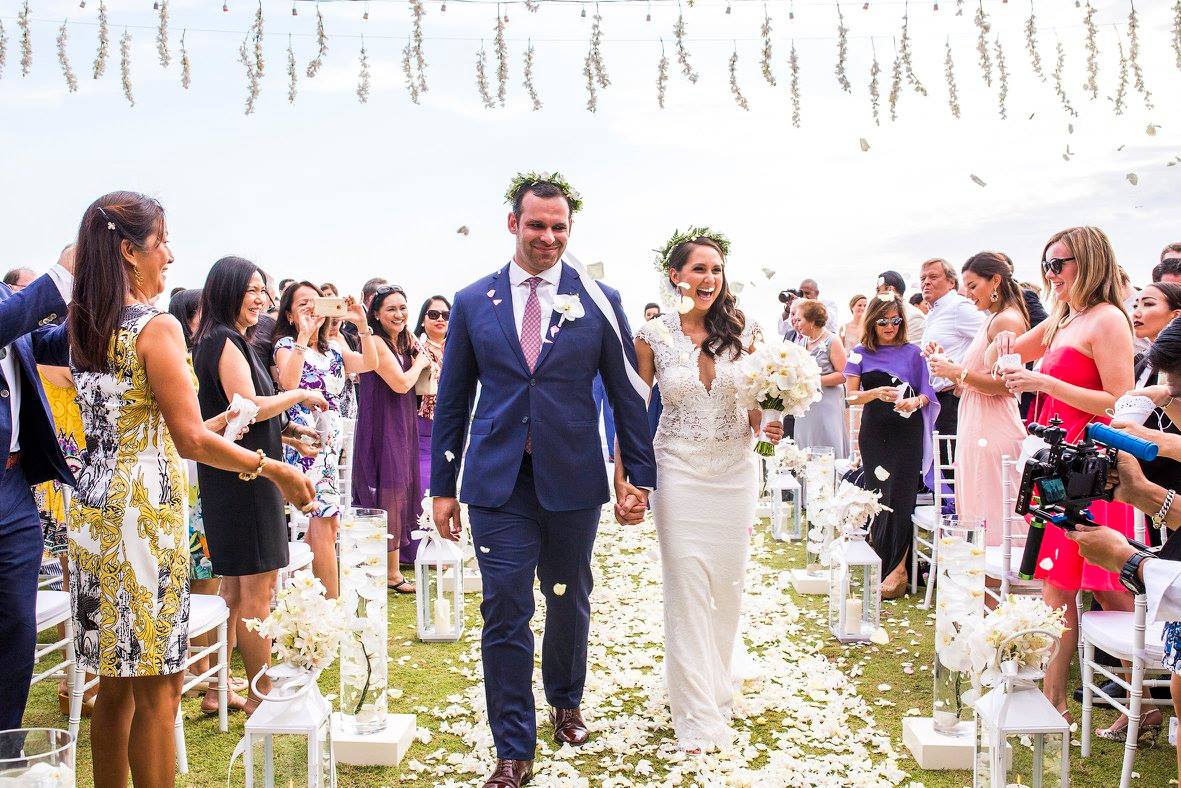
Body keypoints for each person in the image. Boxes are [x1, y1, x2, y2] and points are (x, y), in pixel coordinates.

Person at [66, 192, 313, 787]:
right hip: (142, 517)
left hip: (94, 510)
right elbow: (188, 441)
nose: (171, 256)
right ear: (130, 252)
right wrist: (276, 470)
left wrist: (224, 422)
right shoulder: (157, 327)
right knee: (160, 688)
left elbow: (148, 422)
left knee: (114, 685)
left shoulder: (87, 327)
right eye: (162, 242)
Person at [431, 173, 656, 788]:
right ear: (514, 224)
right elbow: (453, 398)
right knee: (504, 604)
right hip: (497, 480)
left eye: (559, 227)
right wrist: (442, 485)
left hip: (573, 476)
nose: (548, 237)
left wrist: (636, 475)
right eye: (536, 225)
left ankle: (565, 700)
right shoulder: (473, 300)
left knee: (567, 595)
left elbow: (625, 391)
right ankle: (512, 747)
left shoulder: (599, 298)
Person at [633, 229, 781, 752]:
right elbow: (634, 410)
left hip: (736, 471)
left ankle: (716, 684)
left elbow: (760, 404)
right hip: (677, 470)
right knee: (686, 587)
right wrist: (630, 477)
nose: (709, 278)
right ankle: (695, 709)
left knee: (726, 588)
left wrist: (771, 420)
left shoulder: (746, 331)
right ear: (675, 275)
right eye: (699, 268)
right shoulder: (651, 336)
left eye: (716, 269)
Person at [989, 226, 1137, 721]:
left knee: (1105, 578)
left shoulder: (1107, 319)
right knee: (1059, 580)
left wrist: (1044, 382)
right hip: (1056, 463)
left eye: (1060, 263)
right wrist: (1002, 338)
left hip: (1093, 467)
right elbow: (1000, 356)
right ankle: (1054, 701)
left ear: (1089, 261)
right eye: (1046, 265)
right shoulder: (1060, 320)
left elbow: (1121, 403)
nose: (1051, 274)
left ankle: (1137, 695)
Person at [194, 258, 331, 711]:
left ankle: (219, 689)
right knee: (257, 588)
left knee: (236, 590)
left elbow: (243, 413)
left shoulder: (233, 339)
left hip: (241, 472)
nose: (261, 299)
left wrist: (290, 433)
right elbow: (247, 405)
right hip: (245, 478)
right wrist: (300, 394)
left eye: (263, 290)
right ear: (227, 290)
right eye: (251, 289)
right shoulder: (222, 339)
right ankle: (261, 695)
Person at [0, 247, 76, 734]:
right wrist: (67, 269)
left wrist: (96, 301)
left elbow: (53, 344)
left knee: (17, 624)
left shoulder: (8, 298)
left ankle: (6, 746)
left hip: (13, 487)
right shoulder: (11, 305)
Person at [273, 282, 378, 598]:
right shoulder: (286, 345)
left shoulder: (334, 350)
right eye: (302, 303)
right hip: (302, 442)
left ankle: (303, 596)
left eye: (314, 301)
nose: (310, 308)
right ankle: (330, 603)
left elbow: (370, 364)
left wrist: (361, 323)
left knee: (326, 524)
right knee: (324, 519)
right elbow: (289, 383)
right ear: (289, 314)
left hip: (330, 445)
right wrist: (304, 336)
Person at [927, 252, 1029, 546]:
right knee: (976, 509)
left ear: (995, 281)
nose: (968, 294)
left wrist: (956, 372)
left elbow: (1010, 386)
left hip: (993, 427)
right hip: (976, 421)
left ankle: (997, 573)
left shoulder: (1007, 321)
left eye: (973, 286)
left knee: (993, 512)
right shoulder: (992, 319)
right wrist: (947, 364)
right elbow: (978, 375)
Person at [845, 294, 939, 598]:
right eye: (883, 321)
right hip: (874, 434)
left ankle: (898, 570)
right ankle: (881, 560)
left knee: (901, 495)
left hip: (906, 432)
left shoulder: (914, 353)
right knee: (878, 495)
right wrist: (874, 393)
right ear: (872, 322)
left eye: (895, 320)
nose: (889, 326)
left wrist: (915, 402)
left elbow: (928, 395)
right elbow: (850, 397)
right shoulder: (859, 353)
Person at [355, 285, 431, 589]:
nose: (399, 314)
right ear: (375, 314)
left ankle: (389, 569)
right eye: (391, 309)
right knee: (390, 491)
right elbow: (400, 383)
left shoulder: (404, 340)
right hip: (382, 422)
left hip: (401, 420)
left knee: (398, 490)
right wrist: (420, 363)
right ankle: (389, 572)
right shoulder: (376, 341)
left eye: (402, 308)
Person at [919, 258, 985, 465]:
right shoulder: (934, 312)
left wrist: (964, 379)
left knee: (956, 467)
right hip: (939, 400)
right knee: (946, 467)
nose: (926, 282)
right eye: (923, 278)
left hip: (955, 399)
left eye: (933, 277)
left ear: (951, 282)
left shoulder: (959, 307)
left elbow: (991, 340)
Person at [791, 299, 847, 458]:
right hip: (805, 404)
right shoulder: (802, 341)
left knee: (827, 439)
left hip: (827, 403)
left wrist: (813, 380)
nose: (795, 322)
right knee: (805, 444)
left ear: (811, 321)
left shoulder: (832, 340)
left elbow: (843, 374)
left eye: (799, 319)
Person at [413, 295, 451, 494]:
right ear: (423, 320)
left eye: (446, 315)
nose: (440, 319)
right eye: (434, 314)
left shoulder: (458, 350)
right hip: (424, 422)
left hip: (452, 422)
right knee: (425, 477)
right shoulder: (414, 349)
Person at [876, 270, 925, 343]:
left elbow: (914, 349)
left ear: (890, 290)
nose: (876, 295)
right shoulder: (880, 314)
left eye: (878, 290)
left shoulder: (914, 317)